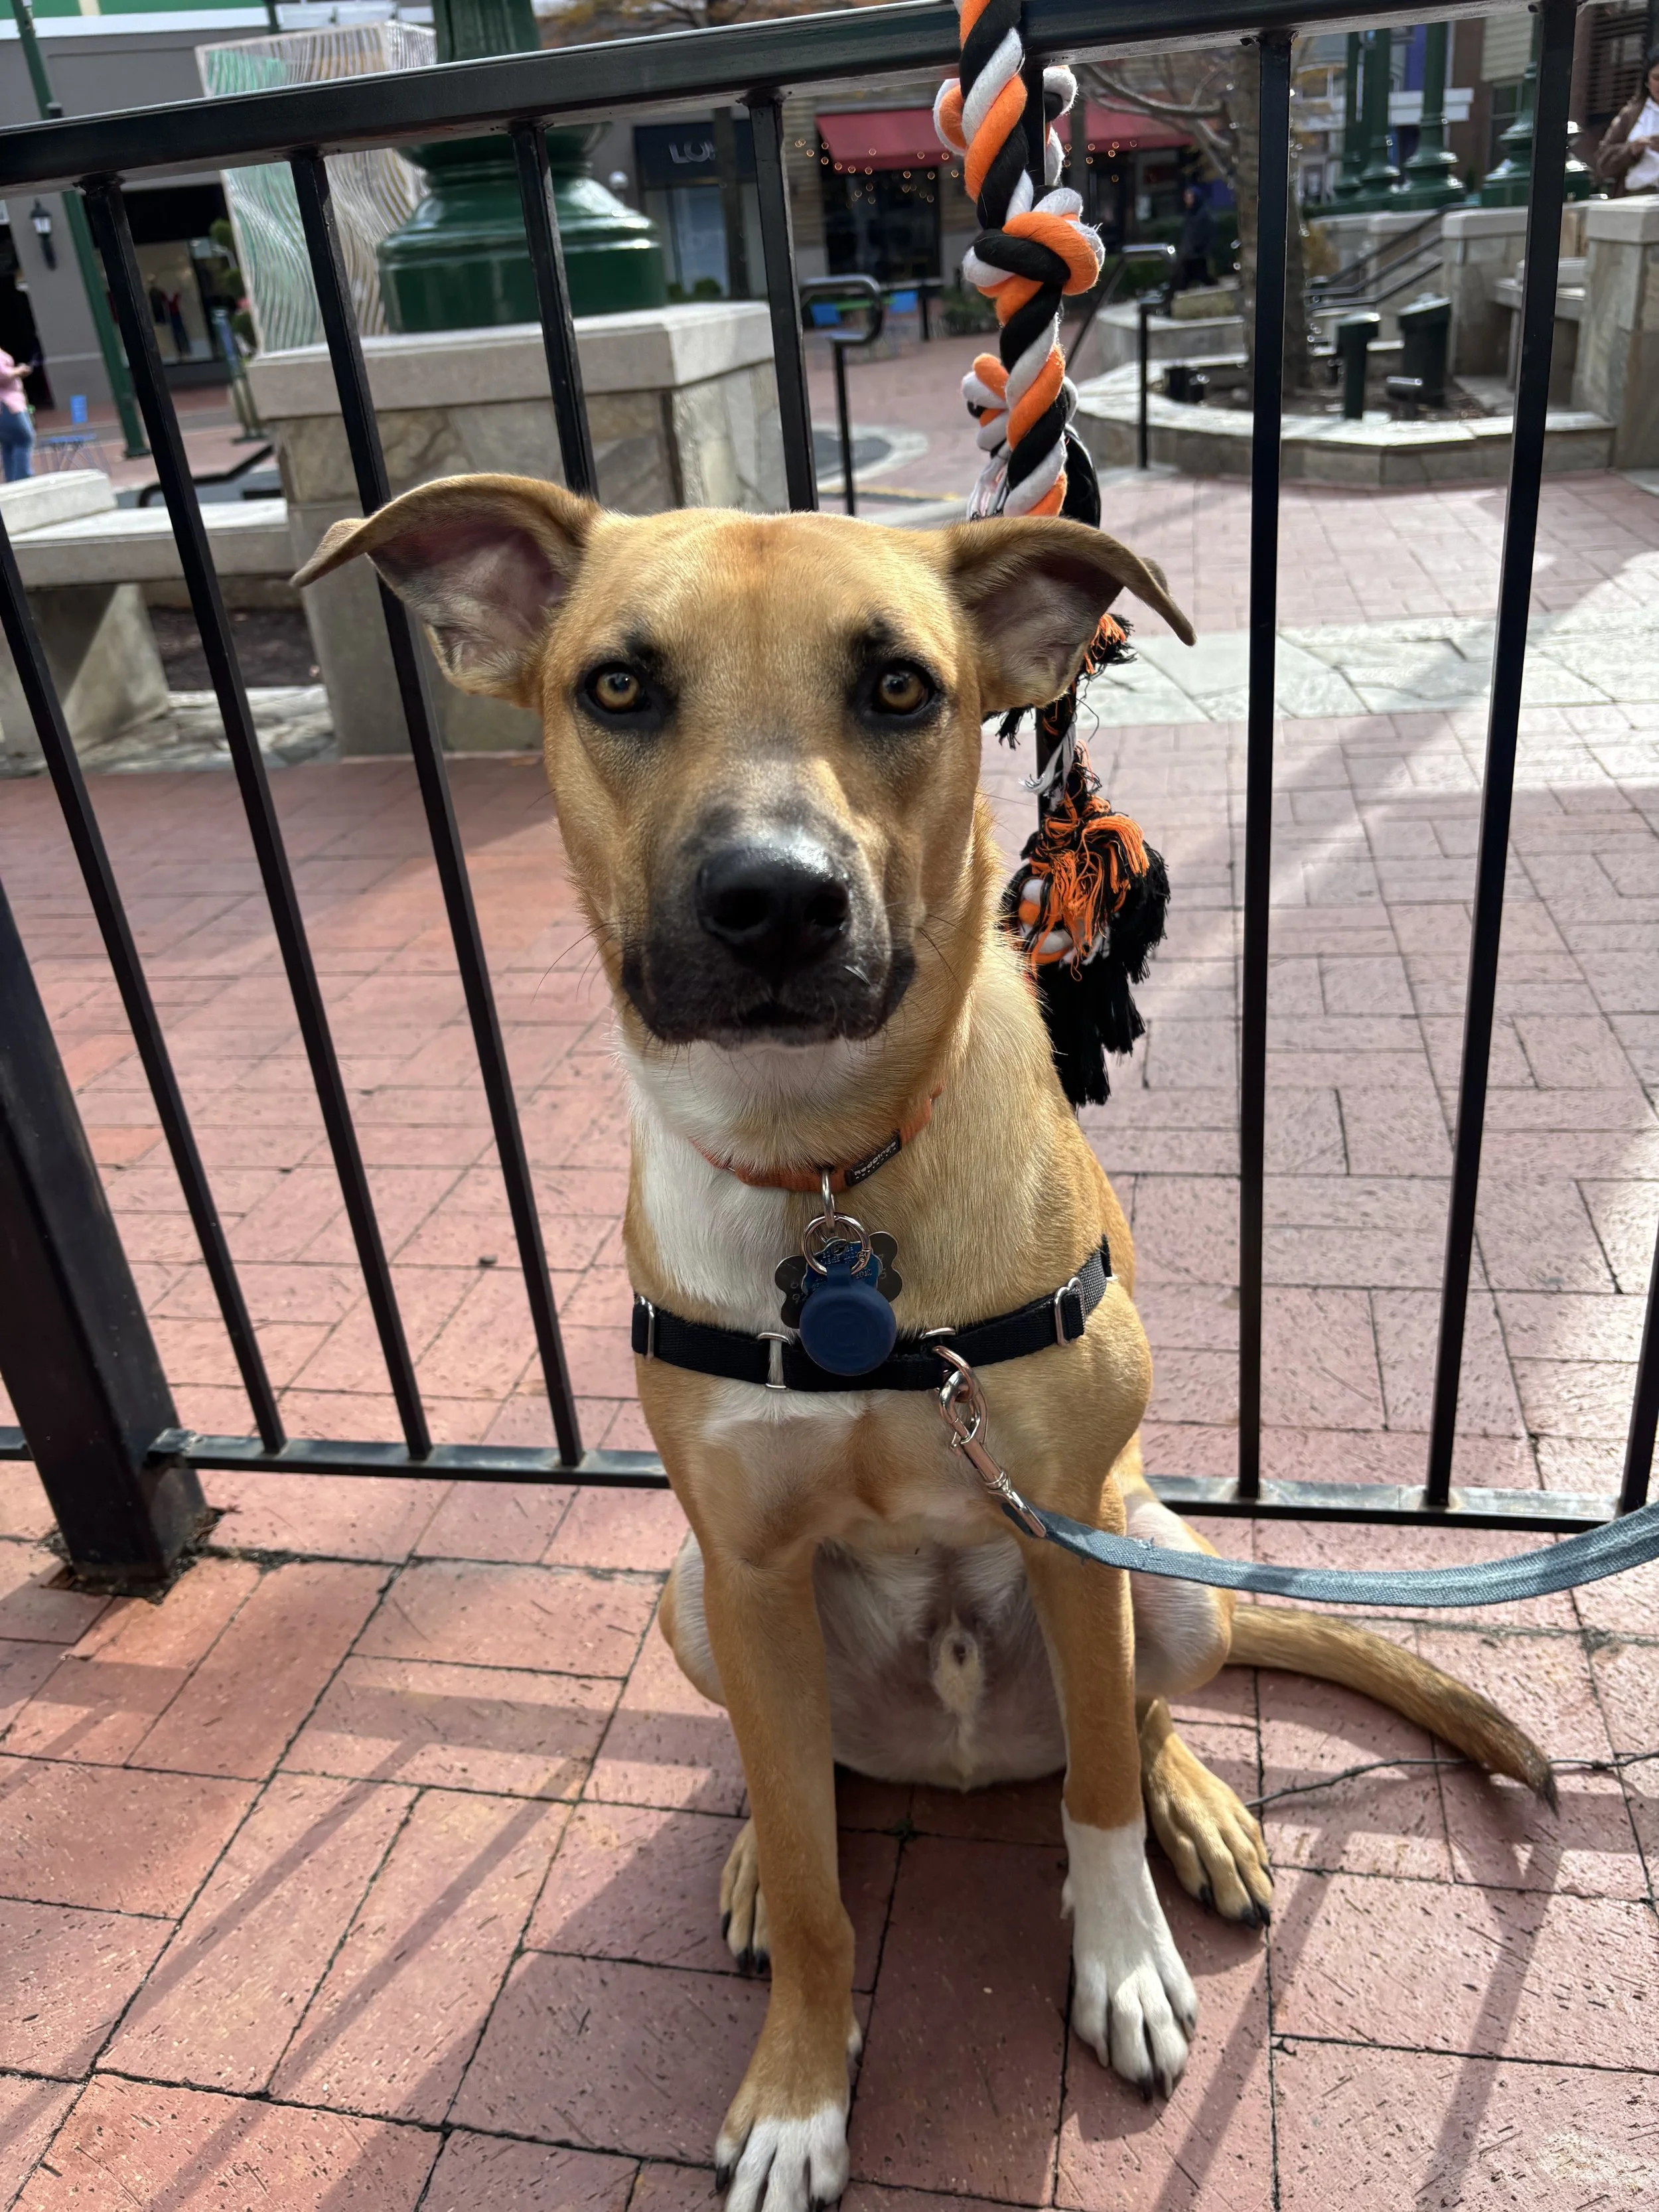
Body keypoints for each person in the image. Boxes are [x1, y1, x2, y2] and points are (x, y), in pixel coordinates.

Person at [1596, 46, 1659, 195]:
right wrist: (1631, 150)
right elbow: (1603, 163)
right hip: (1637, 196)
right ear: (1647, 81)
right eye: (1657, 78)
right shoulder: (1631, 115)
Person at [0, 350, 35, 481]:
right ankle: (23, 478)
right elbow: (2, 374)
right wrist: (19, 370)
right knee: (24, 439)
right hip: (7, 404)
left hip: (7, 404)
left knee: (8, 444)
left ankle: (13, 481)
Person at [1174, 183, 1214, 291]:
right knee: (1185, 279)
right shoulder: (1189, 214)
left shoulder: (1202, 214)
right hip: (1189, 254)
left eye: (1190, 197)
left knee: (1199, 276)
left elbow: (1204, 234)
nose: (1187, 200)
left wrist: (1198, 247)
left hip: (1197, 254)